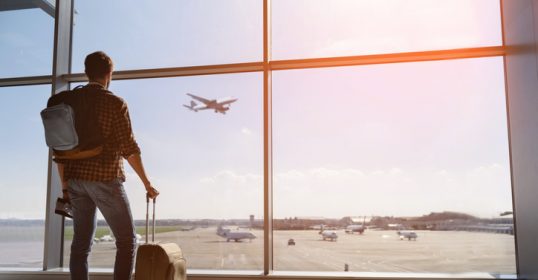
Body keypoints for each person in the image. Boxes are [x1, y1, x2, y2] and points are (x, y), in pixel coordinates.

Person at [55, 51, 159, 280]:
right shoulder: (114, 103)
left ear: (86, 72)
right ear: (109, 74)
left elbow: (58, 151)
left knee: (81, 244)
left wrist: (65, 186)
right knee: (127, 240)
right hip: (104, 178)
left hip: (74, 180)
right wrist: (147, 183)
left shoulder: (68, 102)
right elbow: (129, 148)